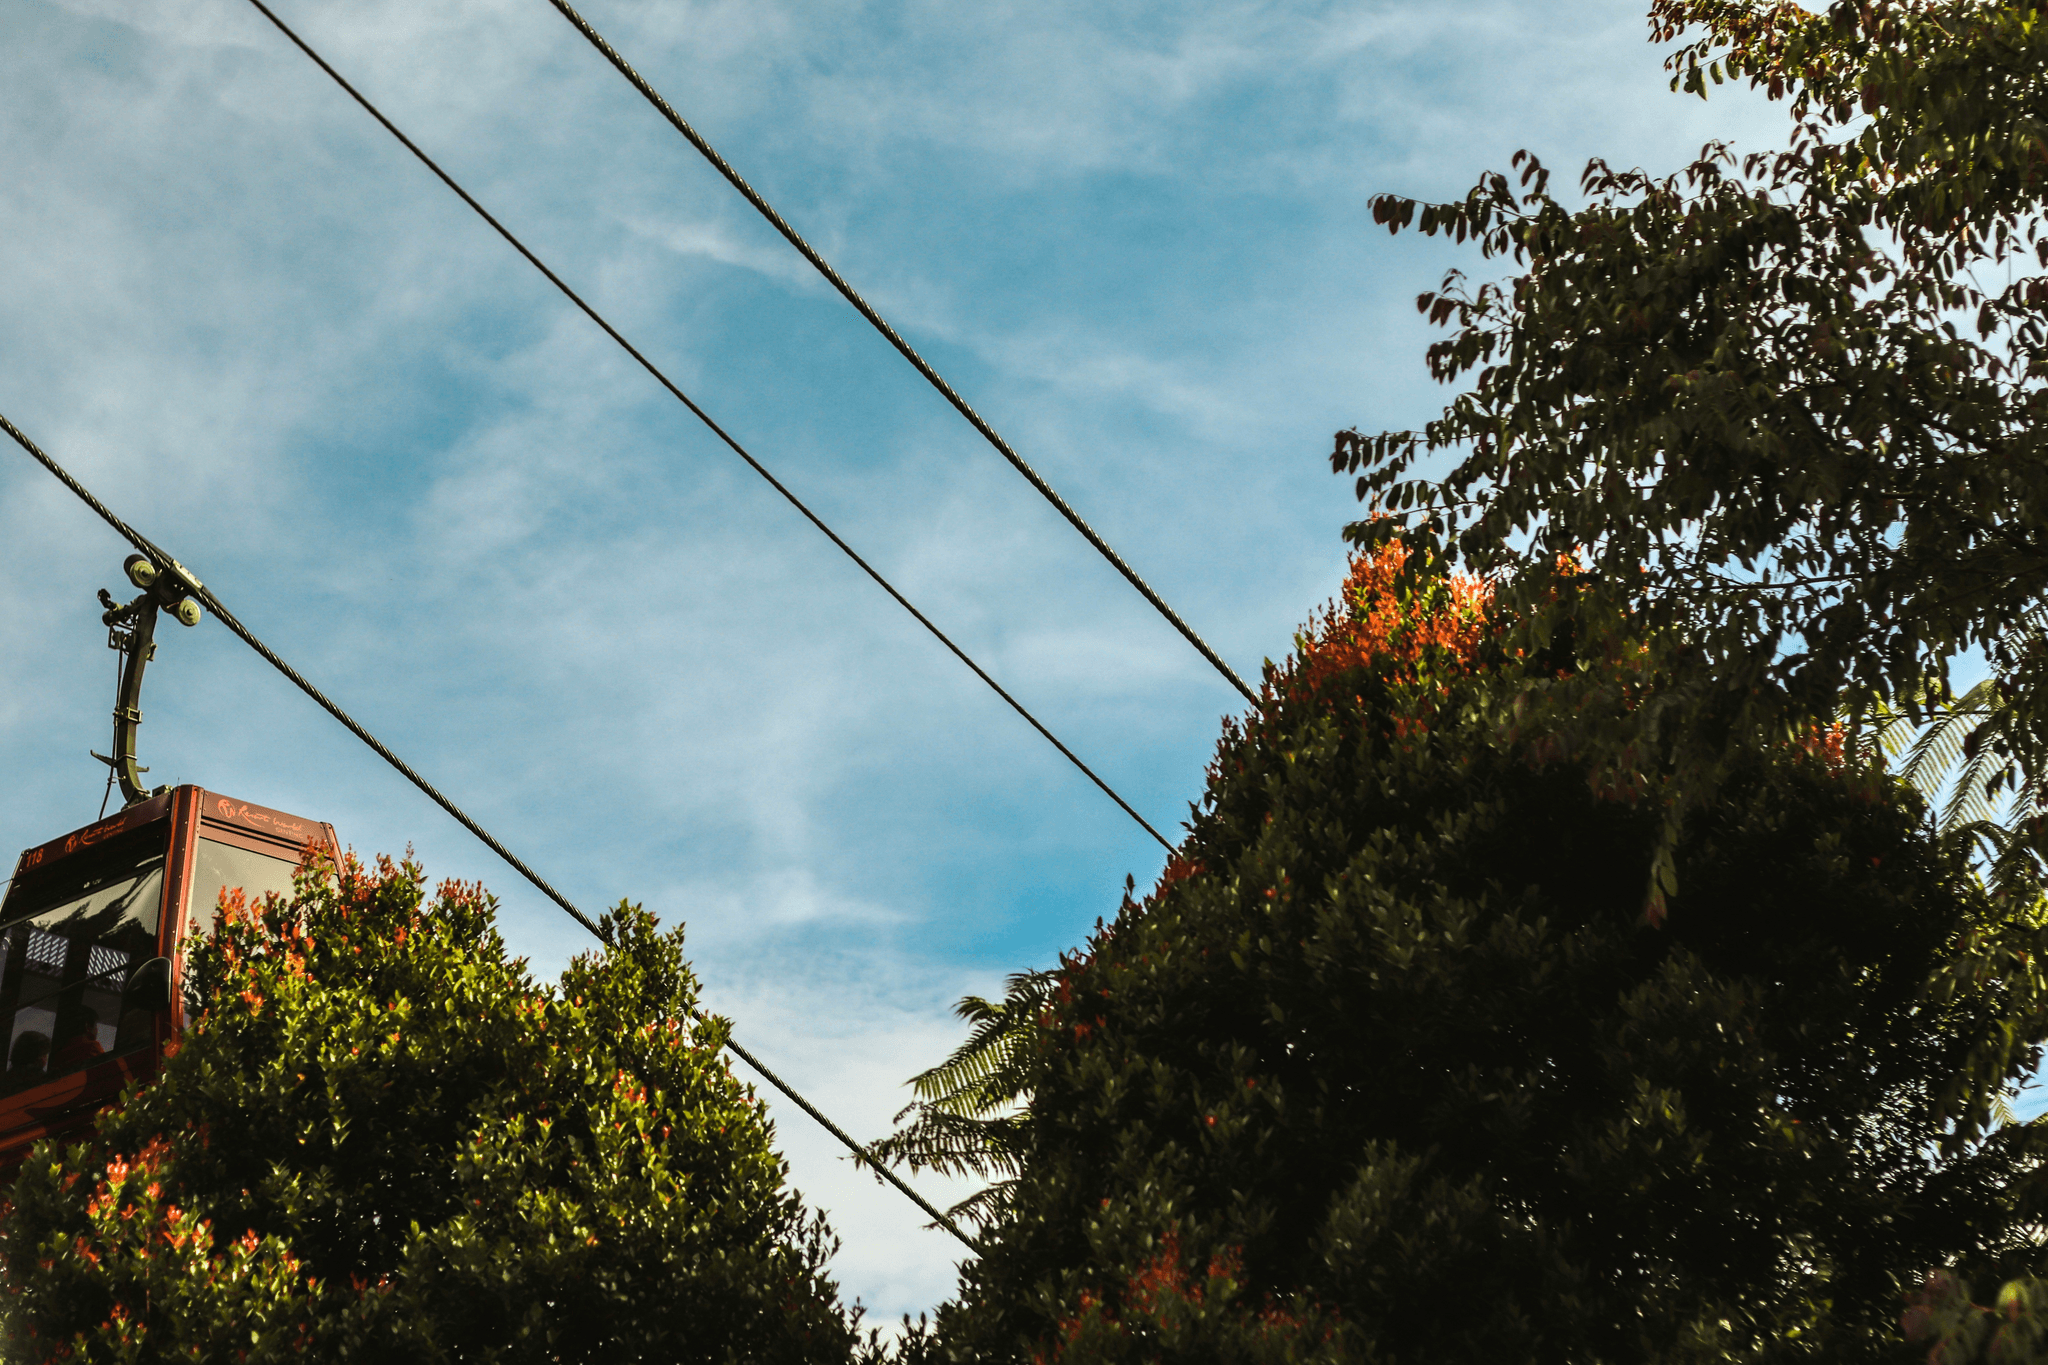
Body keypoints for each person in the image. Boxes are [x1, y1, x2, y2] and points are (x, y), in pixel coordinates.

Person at [48, 1007, 104, 1073]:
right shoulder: (92, 1047)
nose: (97, 1030)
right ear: (87, 1026)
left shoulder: (58, 1054)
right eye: (96, 1026)